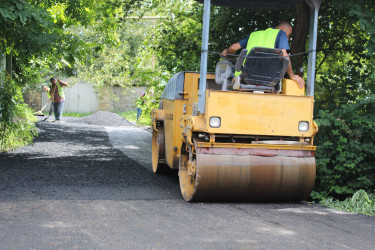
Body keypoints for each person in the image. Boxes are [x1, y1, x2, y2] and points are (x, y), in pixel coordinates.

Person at [221, 21, 305, 89]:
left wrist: (226, 51)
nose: (287, 39)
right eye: (288, 35)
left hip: (246, 77)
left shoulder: (253, 35)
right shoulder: (280, 33)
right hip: (269, 79)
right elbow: (284, 54)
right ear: (282, 29)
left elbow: (233, 48)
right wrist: (292, 75)